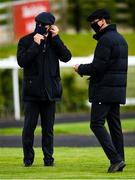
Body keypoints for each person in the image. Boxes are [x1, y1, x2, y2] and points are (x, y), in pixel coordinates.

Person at [73, 9, 128, 173]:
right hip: (116, 90)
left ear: (103, 21)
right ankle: (120, 160)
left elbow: (98, 67)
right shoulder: (121, 39)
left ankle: (115, 159)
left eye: (94, 21)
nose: (92, 25)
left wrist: (80, 68)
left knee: (96, 124)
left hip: (104, 89)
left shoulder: (105, 40)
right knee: (115, 126)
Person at [17, 12, 72, 167]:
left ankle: (48, 159)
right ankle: (28, 159)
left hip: (50, 92)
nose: (42, 28)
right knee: (29, 128)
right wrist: (35, 45)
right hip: (32, 93)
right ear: (36, 24)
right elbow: (22, 61)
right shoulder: (26, 40)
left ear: (50, 26)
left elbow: (67, 57)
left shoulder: (54, 41)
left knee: (48, 129)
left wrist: (57, 39)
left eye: (45, 26)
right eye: (39, 24)